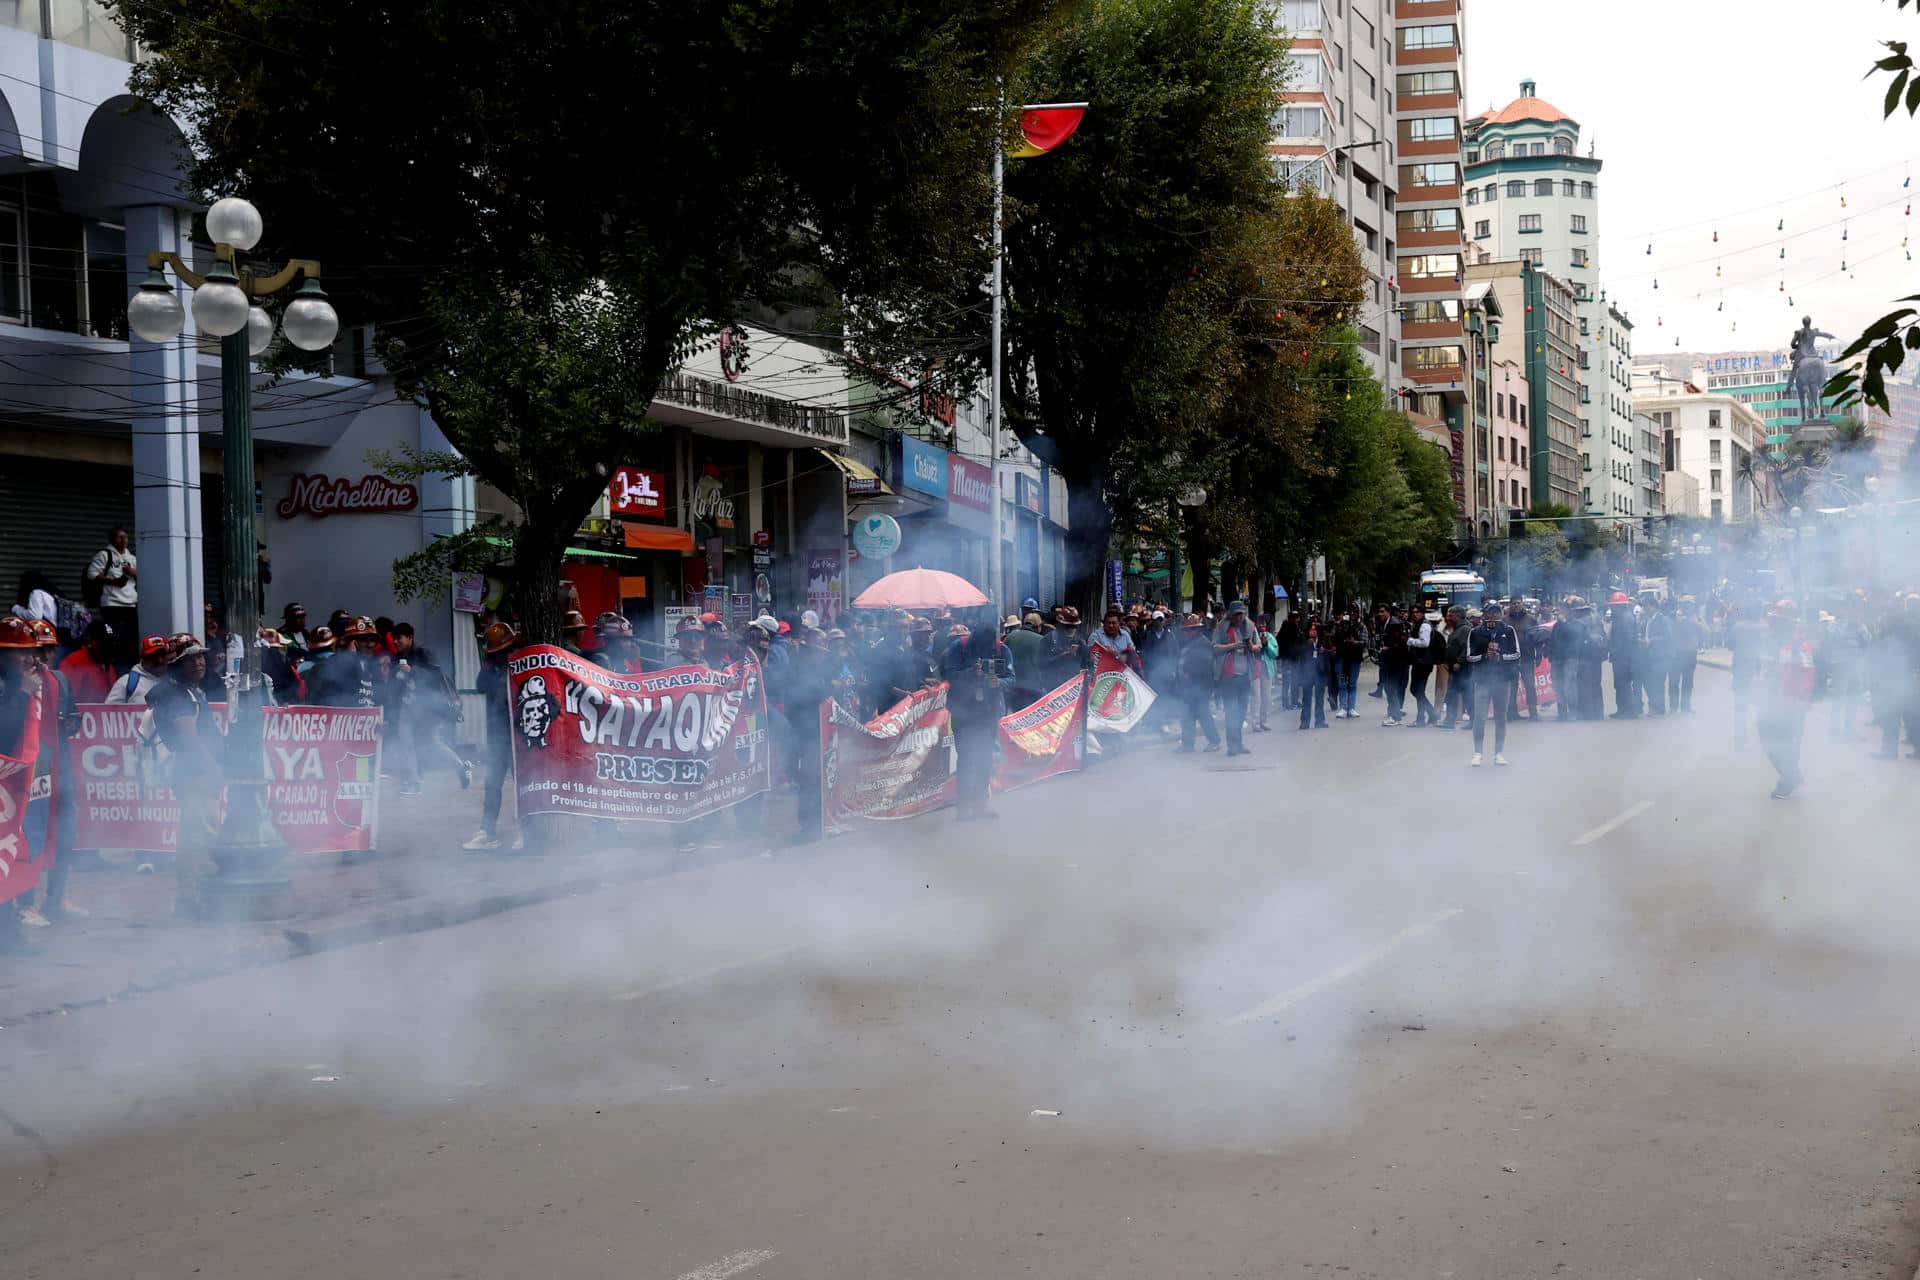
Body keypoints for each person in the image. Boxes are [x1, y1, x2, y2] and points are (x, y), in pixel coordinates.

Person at [147, 636, 218, 908]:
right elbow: (190, 738)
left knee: (195, 833)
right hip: (193, 771)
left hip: (196, 771)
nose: (200, 662)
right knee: (200, 835)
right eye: (192, 659)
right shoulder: (174, 694)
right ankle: (193, 897)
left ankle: (191, 896)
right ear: (177, 663)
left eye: (201, 657)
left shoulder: (187, 690)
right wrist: (213, 768)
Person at [943, 607, 1013, 821]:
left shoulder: (1002, 650)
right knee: (965, 758)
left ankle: (981, 803)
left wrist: (997, 681)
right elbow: (949, 675)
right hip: (964, 712)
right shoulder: (959, 648)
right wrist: (970, 673)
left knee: (984, 758)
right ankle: (964, 806)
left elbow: (1011, 678)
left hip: (988, 713)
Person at [463, 622, 520, 851]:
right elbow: (480, 685)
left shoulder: (519, 667)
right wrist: (489, 665)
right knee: (492, 784)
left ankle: (526, 830)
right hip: (498, 736)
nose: (499, 657)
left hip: (518, 736)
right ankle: (487, 831)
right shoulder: (491, 670)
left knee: (522, 785)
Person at [1755, 599, 1819, 798]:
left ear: (1789, 624)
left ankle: (1787, 782)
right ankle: (1791, 775)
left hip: (1791, 704)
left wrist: (1802, 700)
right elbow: (1764, 670)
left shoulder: (1801, 645)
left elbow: (1808, 674)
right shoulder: (1770, 641)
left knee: (1788, 744)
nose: (1773, 624)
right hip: (1770, 701)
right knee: (1767, 738)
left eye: (1778, 621)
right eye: (1774, 619)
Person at [1466, 601, 1522, 766]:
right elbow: (1469, 657)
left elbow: (1517, 654)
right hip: (1482, 680)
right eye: (1491, 612)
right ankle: (1477, 752)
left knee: (1500, 718)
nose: (1494, 614)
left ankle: (1499, 753)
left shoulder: (1508, 630)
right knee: (1479, 717)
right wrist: (1484, 656)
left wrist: (1501, 657)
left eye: (1497, 611)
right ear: (1485, 614)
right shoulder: (1475, 632)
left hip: (1502, 680)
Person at [1210, 599, 1260, 756]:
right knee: (1231, 711)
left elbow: (1258, 646)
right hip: (1228, 677)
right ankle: (1232, 745)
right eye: (1236, 615)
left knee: (1242, 711)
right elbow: (1214, 648)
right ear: (1230, 615)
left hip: (1245, 675)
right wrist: (1232, 646)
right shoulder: (1221, 628)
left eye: (1241, 614)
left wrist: (1251, 646)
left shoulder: (1250, 627)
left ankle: (1238, 743)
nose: (1239, 618)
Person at [86, 527, 139, 667]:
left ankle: (127, 665)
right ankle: (110, 664)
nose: (123, 540)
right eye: (119, 537)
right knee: (110, 634)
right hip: (111, 605)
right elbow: (91, 574)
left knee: (131, 638)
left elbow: (144, 576)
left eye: (125, 537)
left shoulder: (132, 558)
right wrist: (112, 581)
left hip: (130, 605)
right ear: (111, 539)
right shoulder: (104, 555)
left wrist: (132, 572)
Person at [1821, 599, 1870, 740]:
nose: (1852, 613)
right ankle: (1834, 732)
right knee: (1839, 700)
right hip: (1840, 666)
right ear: (1843, 610)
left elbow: (1868, 641)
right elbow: (1831, 639)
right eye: (1849, 609)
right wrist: (1849, 628)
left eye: (1855, 610)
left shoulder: (1861, 626)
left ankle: (1849, 731)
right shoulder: (1834, 625)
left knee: (1853, 699)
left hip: (1856, 666)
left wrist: (1858, 627)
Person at [1174, 615, 1221, 752]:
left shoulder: (1203, 643)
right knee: (1187, 715)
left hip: (1200, 687)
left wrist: (1191, 673)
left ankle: (1214, 741)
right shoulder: (1190, 643)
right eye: (1187, 630)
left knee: (1203, 714)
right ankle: (1187, 744)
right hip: (1189, 687)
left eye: (1191, 629)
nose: (1187, 632)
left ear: (1197, 630)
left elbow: (1205, 666)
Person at [1727, 602, 1769, 749]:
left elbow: (1730, 646)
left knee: (1740, 709)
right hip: (1760, 672)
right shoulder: (1765, 627)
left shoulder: (1737, 627)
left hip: (1741, 671)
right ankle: (1765, 740)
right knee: (1764, 707)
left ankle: (1740, 740)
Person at [58, 618, 117, 702]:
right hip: (82, 713)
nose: (109, 646)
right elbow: (66, 701)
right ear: (91, 642)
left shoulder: (108, 665)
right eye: (105, 642)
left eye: (111, 642)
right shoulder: (74, 662)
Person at [107, 633, 175, 705]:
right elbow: (107, 714)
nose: (160, 660)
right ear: (143, 658)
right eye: (154, 656)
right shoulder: (126, 683)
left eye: (163, 655)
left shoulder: (175, 684)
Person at [1377, 602, 1410, 726]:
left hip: (1396, 662)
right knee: (1389, 688)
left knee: (1391, 688)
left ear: (1388, 612)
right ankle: (1394, 713)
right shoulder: (1385, 624)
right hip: (1390, 661)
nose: (1380, 614)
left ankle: (1394, 716)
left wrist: (1388, 648)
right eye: (1379, 612)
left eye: (1382, 612)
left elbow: (1400, 643)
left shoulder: (1394, 624)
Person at [1607, 596, 1640, 720]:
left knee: (1624, 684)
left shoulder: (1625, 619)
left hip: (1624, 657)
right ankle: (1622, 710)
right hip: (1621, 656)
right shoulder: (1621, 617)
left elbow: (1628, 640)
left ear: (1619, 606)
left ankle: (1629, 711)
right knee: (1620, 684)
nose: (1611, 608)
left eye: (1613, 606)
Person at [1441, 607, 1474, 729]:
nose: (1448, 618)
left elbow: (1466, 647)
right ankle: (1449, 721)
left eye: (1451, 615)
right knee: (1452, 695)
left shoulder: (1464, 629)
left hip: (1463, 669)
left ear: (1458, 616)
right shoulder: (1457, 629)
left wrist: (1459, 662)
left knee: (1467, 696)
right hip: (1455, 669)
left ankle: (1474, 721)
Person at [1406, 607, 1438, 726]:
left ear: (1422, 613)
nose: (1414, 614)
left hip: (1423, 663)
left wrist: (1410, 641)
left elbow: (1425, 643)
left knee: (1417, 690)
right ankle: (1428, 715)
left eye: (1417, 612)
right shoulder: (1418, 624)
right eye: (1412, 612)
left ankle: (1423, 718)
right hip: (1420, 662)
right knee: (1417, 690)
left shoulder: (1424, 625)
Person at [1331, 609, 1366, 719]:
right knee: (1342, 683)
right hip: (1342, 658)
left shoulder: (1361, 627)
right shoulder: (1341, 626)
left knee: (1352, 684)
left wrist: (1354, 642)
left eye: (1355, 612)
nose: (1352, 614)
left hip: (1355, 659)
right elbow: (1333, 638)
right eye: (1351, 612)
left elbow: (1365, 642)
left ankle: (1351, 708)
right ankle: (1343, 707)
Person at [1298, 614, 1331, 730]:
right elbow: (1301, 656)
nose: (1313, 631)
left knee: (1319, 698)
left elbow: (1330, 653)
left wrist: (1323, 651)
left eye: (1315, 629)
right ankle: (1305, 722)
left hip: (1320, 672)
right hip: (1308, 672)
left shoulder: (1323, 640)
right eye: (1311, 628)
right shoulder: (1304, 640)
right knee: (1306, 698)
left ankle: (1320, 721)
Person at [1641, 597, 1672, 717]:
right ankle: (1654, 706)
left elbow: (1667, 637)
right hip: (1649, 656)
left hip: (1660, 657)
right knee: (1651, 683)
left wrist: (1651, 641)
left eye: (1646, 606)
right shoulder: (1648, 620)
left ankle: (1659, 709)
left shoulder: (1663, 620)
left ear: (1653, 606)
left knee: (1658, 683)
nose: (1645, 609)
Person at [1046, 606, 1087, 685]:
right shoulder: (1049, 639)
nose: (1071, 629)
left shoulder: (1080, 641)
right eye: (1068, 626)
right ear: (1060, 624)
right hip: (1054, 686)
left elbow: (1088, 664)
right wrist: (1062, 656)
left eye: (1073, 626)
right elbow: (1042, 663)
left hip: (1075, 686)